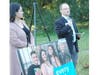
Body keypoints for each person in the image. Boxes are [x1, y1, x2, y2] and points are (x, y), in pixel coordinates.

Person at [10, 3, 34, 75]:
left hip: (28, 51)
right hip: (17, 54)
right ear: (15, 13)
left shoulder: (23, 22)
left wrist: (32, 43)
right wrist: (27, 45)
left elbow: (30, 34)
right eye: (21, 11)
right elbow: (14, 41)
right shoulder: (9, 26)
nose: (23, 12)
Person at [55, 3, 80, 67]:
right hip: (66, 47)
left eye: (68, 8)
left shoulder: (71, 19)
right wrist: (68, 26)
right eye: (65, 9)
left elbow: (75, 30)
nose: (68, 10)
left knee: (74, 63)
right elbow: (59, 33)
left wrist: (78, 35)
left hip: (74, 45)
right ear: (61, 11)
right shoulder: (58, 21)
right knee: (68, 66)